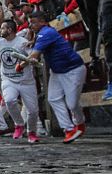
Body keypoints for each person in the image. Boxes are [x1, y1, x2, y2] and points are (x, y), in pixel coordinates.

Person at [24, 10, 87, 143]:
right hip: (58, 72)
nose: (31, 26)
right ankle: (69, 129)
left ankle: (80, 124)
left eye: (34, 23)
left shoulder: (46, 33)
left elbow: (34, 54)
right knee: (53, 98)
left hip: (73, 70)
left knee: (72, 103)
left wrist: (21, 65)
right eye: (30, 24)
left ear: (43, 22)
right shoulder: (41, 34)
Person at [0, 20, 40, 143]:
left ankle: (31, 132)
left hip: (26, 81)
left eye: (3, 28)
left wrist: (28, 62)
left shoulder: (22, 43)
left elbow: (32, 56)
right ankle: (19, 124)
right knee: (9, 100)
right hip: (8, 79)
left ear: (9, 30)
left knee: (33, 110)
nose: (0, 30)